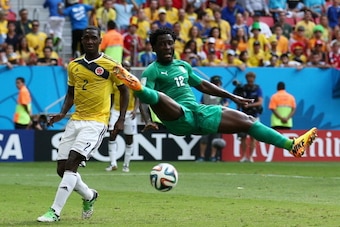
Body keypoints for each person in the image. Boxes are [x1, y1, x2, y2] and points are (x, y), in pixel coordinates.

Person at [112, 27, 317, 162]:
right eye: (162, 44)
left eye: (169, 43)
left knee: (248, 120)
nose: (166, 47)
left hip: (197, 112)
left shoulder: (183, 66)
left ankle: (292, 146)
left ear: (173, 44)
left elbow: (204, 85)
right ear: (154, 47)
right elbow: (143, 101)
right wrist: (147, 119)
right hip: (175, 118)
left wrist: (233, 97)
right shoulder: (152, 70)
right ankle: (134, 84)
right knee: (159, 96)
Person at [37, 26, 129, 222]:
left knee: (72, 164)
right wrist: (62, 113)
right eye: (85, 38)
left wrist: (120, 119)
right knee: (61, 169)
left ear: (100, 40)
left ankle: (54, 211)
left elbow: (125, 91)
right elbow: (71, 92)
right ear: (81, 41)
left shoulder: (112, 65)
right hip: (76, 119)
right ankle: (89, 195)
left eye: (93, 38)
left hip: (96, 122)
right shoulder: (73, 65)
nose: (89, 41)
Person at [106, 60, 139, 172]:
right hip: (115, 111)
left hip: (129, 112)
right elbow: (110, 96)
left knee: (129, 138)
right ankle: (113, 163)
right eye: (123, 65)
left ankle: (126, 165)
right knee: (112, 135)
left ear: (130, 68)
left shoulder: (133, 81)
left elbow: (138, 96)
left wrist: (135, 109)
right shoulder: (116, 79)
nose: (125, 67)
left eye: (127, 66)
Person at [197, 75, 228, 162]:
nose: (217, 85)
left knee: (216, 138)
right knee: (204, 138)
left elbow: (226, 104)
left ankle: (213, 156)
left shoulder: (222, 92)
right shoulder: (205, 93)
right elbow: (201, 103)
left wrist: (221, 107)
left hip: (217, 117)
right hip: (206, 117)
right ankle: (202, 156)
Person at [234, 72, 263, 163]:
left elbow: (260, 102)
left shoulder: (257, 89)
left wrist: (249, 105)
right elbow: (236, 98)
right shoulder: (242, 88)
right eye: (249, 78)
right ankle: (243, 156)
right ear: (246, 78)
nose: (250, 79)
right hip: (243, 115)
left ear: (254, 78)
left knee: (253, 137)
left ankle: (250, 156)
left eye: (252, 78)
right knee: (242, 137)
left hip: (254, 115)